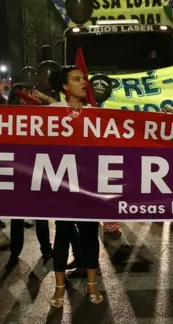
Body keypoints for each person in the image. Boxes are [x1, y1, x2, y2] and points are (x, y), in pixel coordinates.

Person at [48, 66, 103, 306]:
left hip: (89, 184)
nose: (83, 82)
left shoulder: (95, 112)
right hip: (62, 185)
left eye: (84, 79)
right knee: (62, 233)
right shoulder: (52, 111)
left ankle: (92, 284)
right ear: (64, 87)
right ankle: (59, 288)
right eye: (76, 79)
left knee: (91, 234)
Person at [4, 85, 53, 270]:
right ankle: (15, 252)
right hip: (17, 173)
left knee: (41, 216)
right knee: (16, 217)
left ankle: (46, 249)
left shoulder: (42, 114)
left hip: (38, 171)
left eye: (30, 92)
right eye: (26, 92)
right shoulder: (8, 116)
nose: (30, 95)